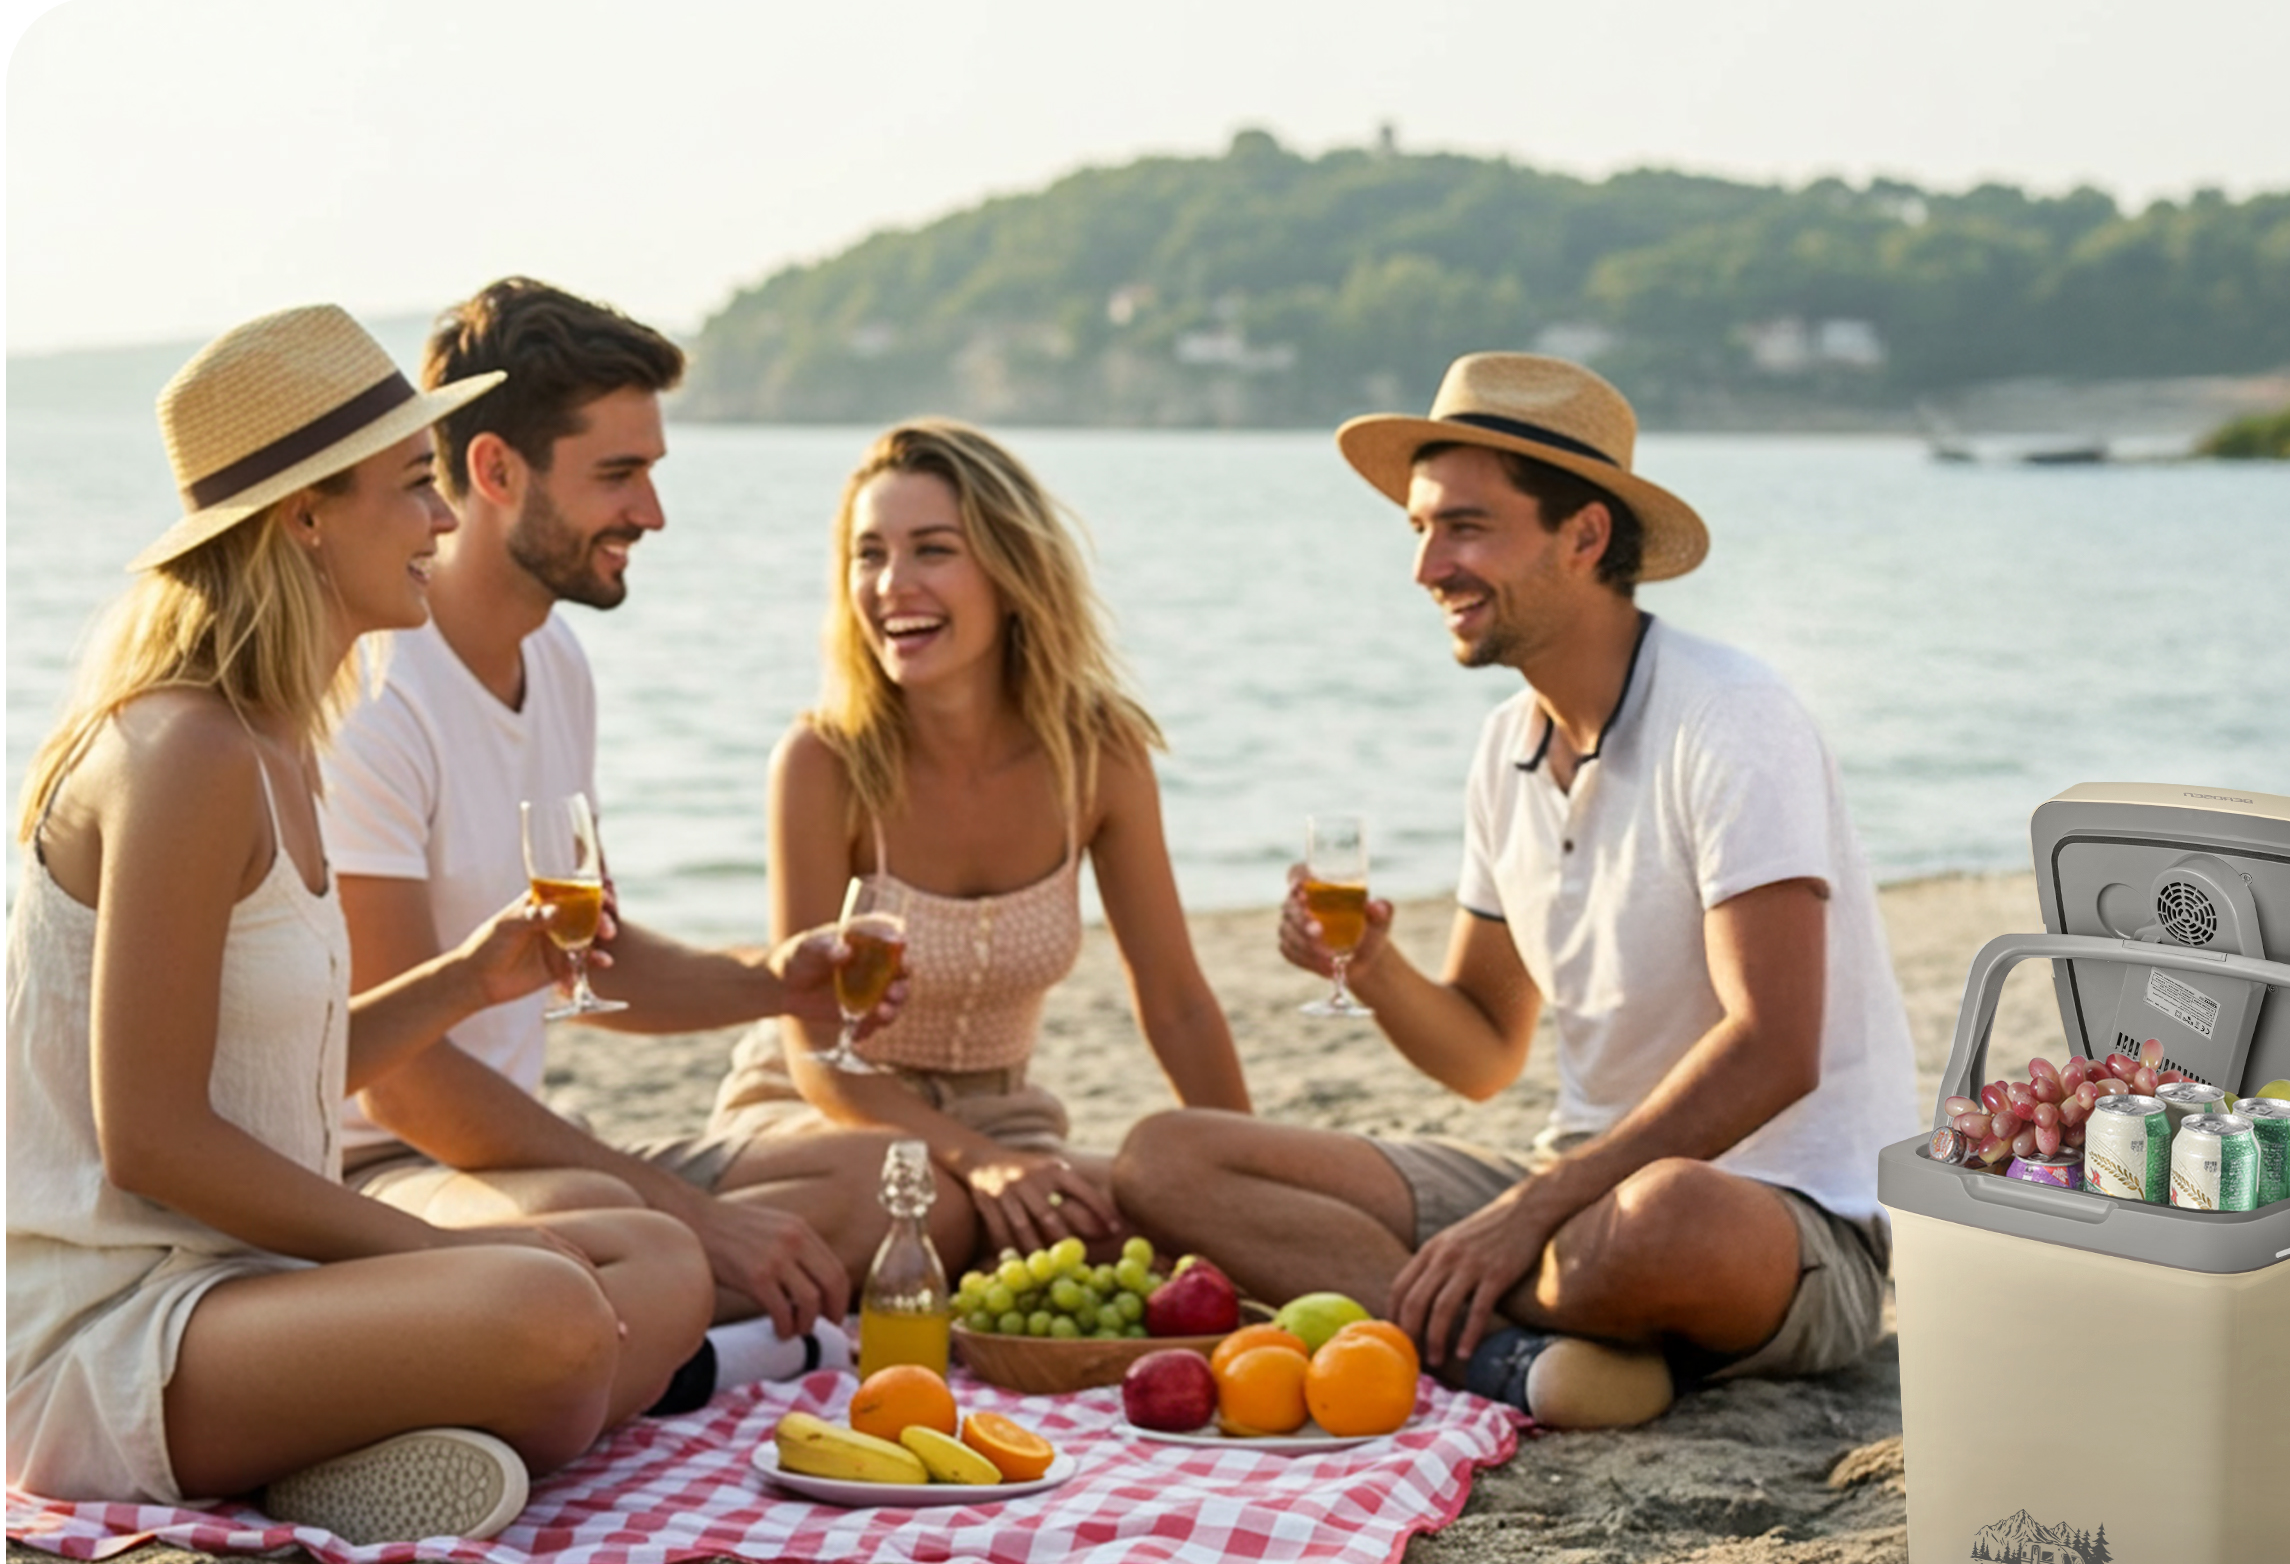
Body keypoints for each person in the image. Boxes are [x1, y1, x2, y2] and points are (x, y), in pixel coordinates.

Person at [6, 305, 717, 1544]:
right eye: (413, 486)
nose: (444, 521)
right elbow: (154, 1141)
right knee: (545, 1311)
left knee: (658, 1259)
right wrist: (408, 1256)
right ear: (305, 516)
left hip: (245, 1291)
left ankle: (370, 1441)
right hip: (116, 1328)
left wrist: (463, 978)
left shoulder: (281, 737)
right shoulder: (184, 749)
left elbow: (263, 1077)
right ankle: (381, 1424)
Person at [1112, 353, 1918, 1429]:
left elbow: (1775, 1046)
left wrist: (1524, 1212)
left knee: (1657, 1220)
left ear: (1583, 537)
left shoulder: (1732, 717)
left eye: (1465, 528)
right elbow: (1485, 1048)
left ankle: (1443, 1315)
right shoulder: (1507, 747)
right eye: (1420, 531)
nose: (1427, 569)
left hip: (1776, 1220)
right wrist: (1373, 965)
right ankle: (1507, 1351)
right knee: (1166, 1155)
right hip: (1567, 1197)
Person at [323, 280, 889, 1395]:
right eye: (619, 475)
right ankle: (688, 1351)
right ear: (494, 471)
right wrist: (689, 1213)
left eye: (652, 473)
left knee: (884, 1177)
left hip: (527, 1160)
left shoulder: (558, 667)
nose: (652, 513)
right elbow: (399, 1083)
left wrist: (780, 985)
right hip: (379, 1170)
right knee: (646, 1243)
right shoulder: (378, 695)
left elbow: (596, 957)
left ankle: (676, 1350)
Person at [700, 418, 1251, 1266]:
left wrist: (1241, 1181)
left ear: (1009, 569)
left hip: (1005, 1117)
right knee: (913, 1200)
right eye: (869, 553)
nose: (892, 584)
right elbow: (813, 1048)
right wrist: (976, 1164)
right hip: (833, 1119)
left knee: (1140, 1215)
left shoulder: (1098, 754)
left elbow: (1176, 1001)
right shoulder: (822, 762)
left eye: (932, 550)